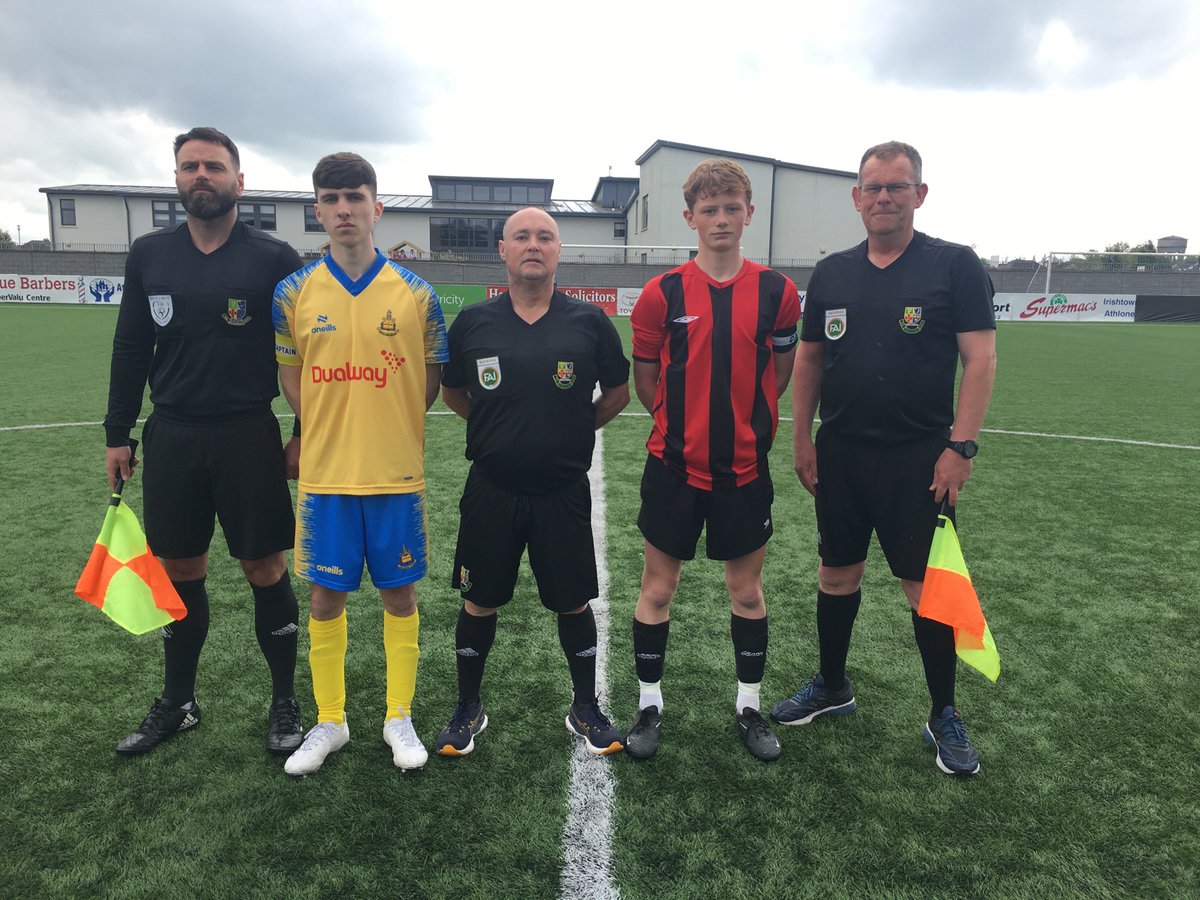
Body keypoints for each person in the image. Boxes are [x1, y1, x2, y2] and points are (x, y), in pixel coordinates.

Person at [769, 141, 997, 776]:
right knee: (836, 572)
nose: (884, 198)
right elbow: (810, 358)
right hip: (841, 454)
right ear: (856, 197)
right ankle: (832, 685)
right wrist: (802, 435)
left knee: (925, 590)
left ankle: (943, 712)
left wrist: (961, 446)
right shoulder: (833, 273)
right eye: (872, 187)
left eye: (897, 187)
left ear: (919, 195)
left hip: (920, 460)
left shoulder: (953, 266)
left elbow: (980, 359)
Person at [104, 126, 304, 758]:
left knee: (264, 568)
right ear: (176, 179)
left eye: (214, 167)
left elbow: (305, 356)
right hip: (174, 436)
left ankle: (283, 701)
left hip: (248, 433)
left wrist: (302, 432)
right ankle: (179, 702)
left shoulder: (275, 259)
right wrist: (118, 433)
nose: (201, 176)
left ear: (238, 182)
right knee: (179, 569)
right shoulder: (149, 253)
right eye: (190, 166)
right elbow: (131, 345)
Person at [273, 152, 448, 776]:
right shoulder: (293, 293)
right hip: (326, 475)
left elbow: (426, 387)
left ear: (378, 206)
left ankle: (398, 716)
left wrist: (384, 423)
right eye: (330, 199)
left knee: (399, 595)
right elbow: (293, 383)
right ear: (317, 210)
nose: (343, 210)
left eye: (355, 197)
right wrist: (330, 427)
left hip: (395, 472)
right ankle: (331, 721)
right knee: (325, 598)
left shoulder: (418, 295)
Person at [437, 206, 630, 758]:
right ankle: (468, 707)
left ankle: (585, 707)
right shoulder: (473, 322)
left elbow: (617, 394)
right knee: (479, 600)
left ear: (558, 250)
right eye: (521, 236)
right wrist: (495, 427)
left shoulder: (589, 323)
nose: (533, 245)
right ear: (502, 249)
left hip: (562, 491)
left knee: (573, 603)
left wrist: (573, 428)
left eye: (545, 237)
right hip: (491, 488)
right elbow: (453, 392)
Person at [624, 159, 800, 762]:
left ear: (749, 214)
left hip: (745, 471)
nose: (721, 219)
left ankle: (749, 707)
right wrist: (684, 426)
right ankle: (650, 705)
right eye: (709, 209)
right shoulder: (661, 293)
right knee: (657, 588)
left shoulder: (778, 292)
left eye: (732, 208)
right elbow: (648, 382)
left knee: (747, 592)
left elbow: (778, 374)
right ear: (690, 218)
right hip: (673, 467)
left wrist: (745, 423)